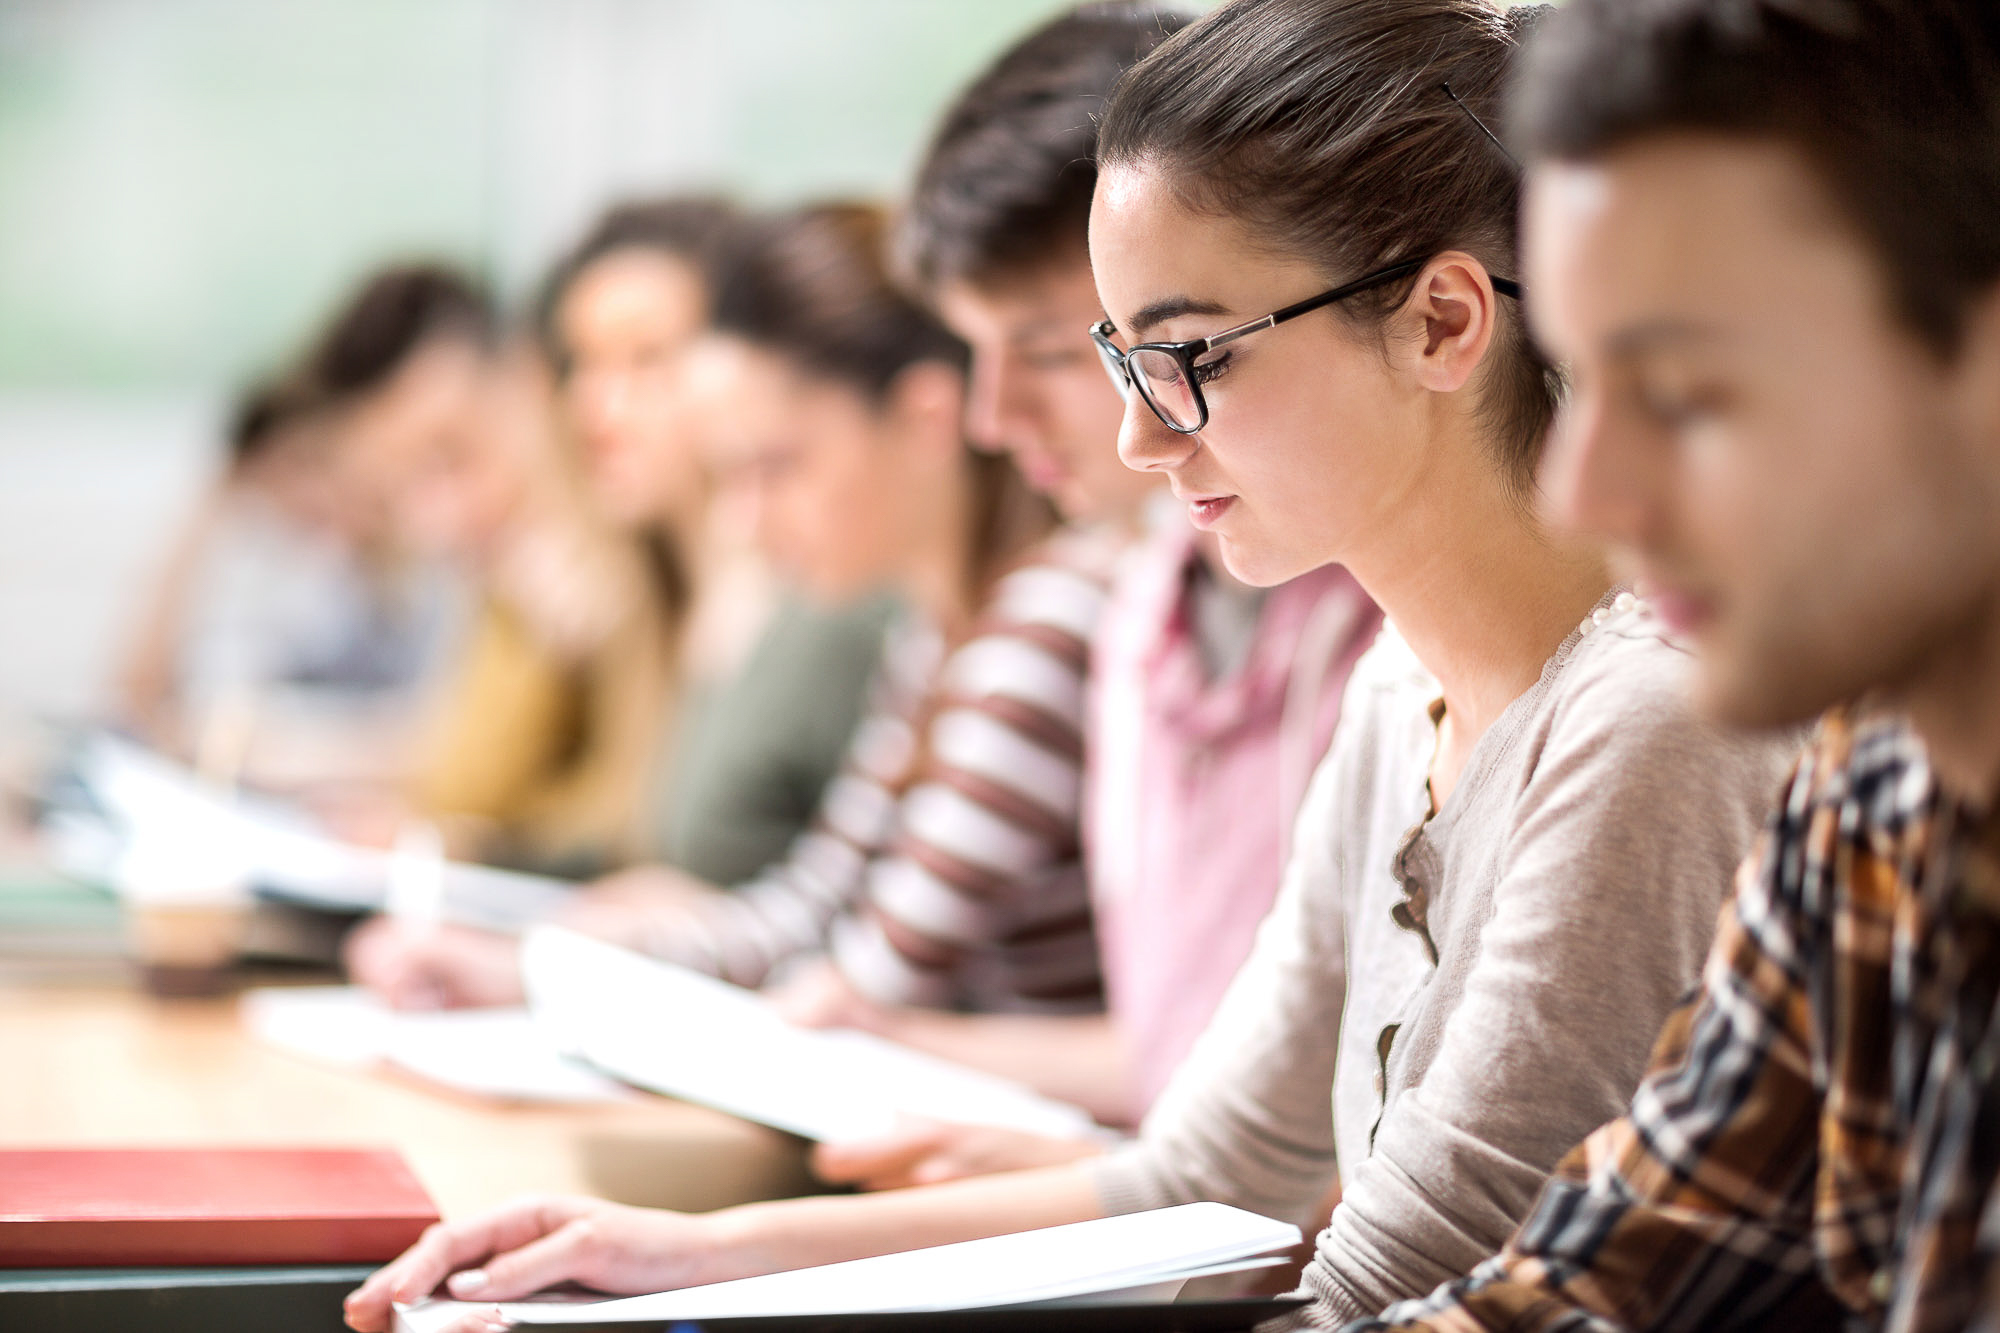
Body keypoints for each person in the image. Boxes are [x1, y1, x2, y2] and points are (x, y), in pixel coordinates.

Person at [340, 5, 1795, 1330]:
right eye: (1119, 362)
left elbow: (1392, 1280)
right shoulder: (1395, 693)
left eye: (1192, 356)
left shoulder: (1644, 720)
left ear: (1441, 321)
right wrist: (689, 1249)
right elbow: (1208, 1175)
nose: (1138, 440)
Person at [1347, 1, 2000, 1330]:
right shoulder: (1874, 789)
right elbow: (1596, 1283)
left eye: (1690, 393)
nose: (1586, 496)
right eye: (1581, 381)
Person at [798, 2, 1382, 1184]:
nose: (988, 419)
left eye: (1061, 351)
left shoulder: (1380, 631)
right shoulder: (1132, 610)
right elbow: (1196, 1051)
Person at [537, 197, 894, 888]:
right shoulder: (655, 591)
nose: (594, 406)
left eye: (647, 361)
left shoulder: (829, 598)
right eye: (582, 363)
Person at [322, 263, 675, 877]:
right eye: (398, 488)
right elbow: (459, 788)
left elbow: (641, 828)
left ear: (534, 385)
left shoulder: (634, 551)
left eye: (452, 455)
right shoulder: (520, 575)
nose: (438, 518)